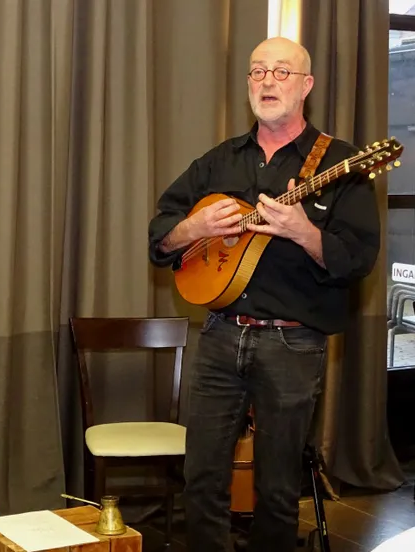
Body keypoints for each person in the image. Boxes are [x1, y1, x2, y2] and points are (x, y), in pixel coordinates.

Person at [147, 37, 380, 551]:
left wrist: (304, 232)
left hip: (293, 346)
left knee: (276, 488)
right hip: (220, 336)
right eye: (257, 71)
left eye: (281, 71)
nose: (267, 81)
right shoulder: (219, 161)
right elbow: (159, 235)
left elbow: (358, 259)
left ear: (306, 86)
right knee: (202, 476)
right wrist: (194, 227)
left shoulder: (342, 166)